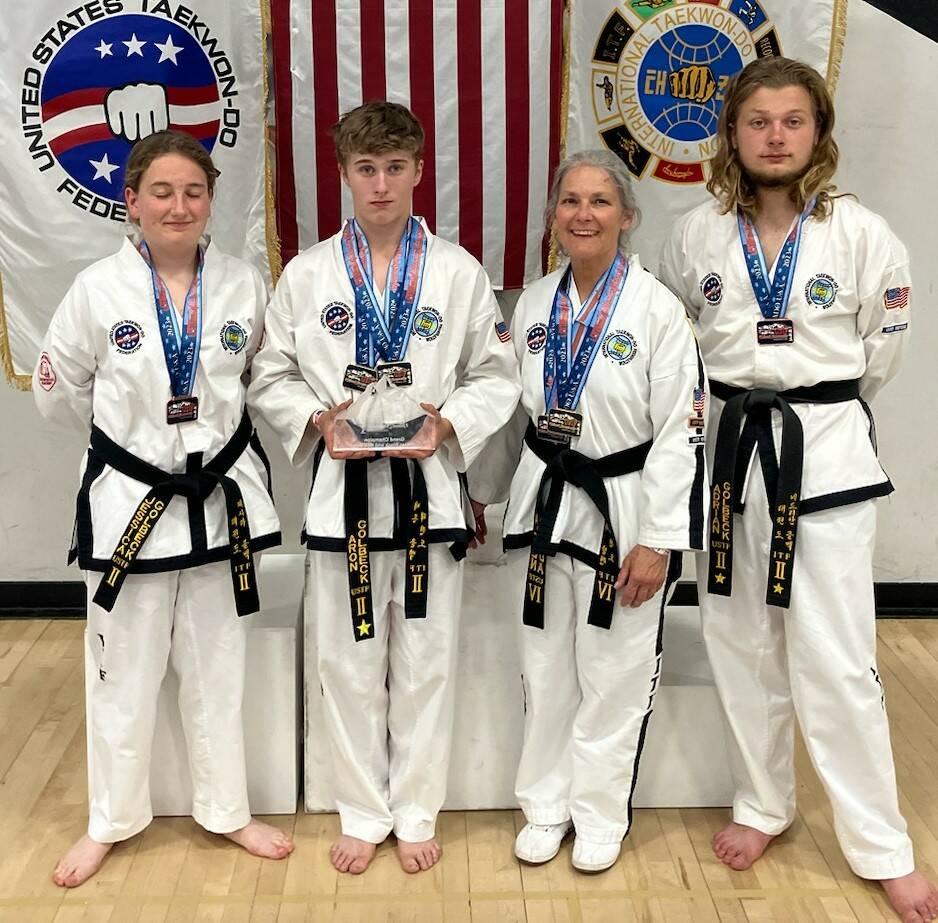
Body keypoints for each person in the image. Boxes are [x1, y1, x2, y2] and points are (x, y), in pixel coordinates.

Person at [659, 57, 938, 923]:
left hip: (823, 458)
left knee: (836, 658)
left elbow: (878, 354)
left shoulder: (861, 234)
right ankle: (764, 801)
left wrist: (813, 413)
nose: (775, 136)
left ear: (818, 131)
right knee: (741, 641)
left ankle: (881, 845)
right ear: (731, 134)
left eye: (792, 121)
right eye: (757, 121)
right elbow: (679, 350)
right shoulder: (696, 234)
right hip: (729, 457)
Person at [247, 101, 520, 875]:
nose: (380, 184)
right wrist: (313, 416)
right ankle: (363, 809)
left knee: (428, 658)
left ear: (419, 172)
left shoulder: (458, 271)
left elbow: (496, 373)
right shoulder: (308, 274)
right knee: (347, 658)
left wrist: (450, 423)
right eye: (365, 169)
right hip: (343, 495)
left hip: (428, 488)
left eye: (395, 167)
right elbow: (269, 371)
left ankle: (417, 809)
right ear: (343, 175)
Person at [33, 130, 294, 889]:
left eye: (193, 192)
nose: (178, 206)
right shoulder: (98, 290)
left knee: (219, 665)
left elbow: (261, 378)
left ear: (210, 201)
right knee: (123, 670)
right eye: (162, 192)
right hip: (131, 505)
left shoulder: (244, 283)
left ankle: (227, 809)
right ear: (133, 201)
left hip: (218, 499)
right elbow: (59, 393)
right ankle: (110, 820)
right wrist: (132, 447)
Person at [472, 149, 708, 872]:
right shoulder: (534, 305)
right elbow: (512, 412)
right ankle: (545, 805)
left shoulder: (659, 311)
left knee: (615, 674)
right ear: (554, 217)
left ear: (627, 217)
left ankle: (600, 813)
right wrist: (483, 490)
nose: (583, 214)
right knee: (545, 670)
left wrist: (660, 540)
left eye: (600, 202)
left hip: (625, 507)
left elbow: (680, 430)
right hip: (547, 501)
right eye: (570, 201)